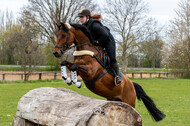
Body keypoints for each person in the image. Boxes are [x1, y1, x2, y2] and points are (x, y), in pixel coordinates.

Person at [78, 9, 122, 85]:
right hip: (99, 41)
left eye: (82, 17)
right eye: (80, 17)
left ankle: (118, 76)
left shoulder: (94, 25)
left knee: (112, 58)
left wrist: (97, 41)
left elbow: (105, 34)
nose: (80, 19)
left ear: (87, 17)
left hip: (108, 41)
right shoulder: (84, 26)